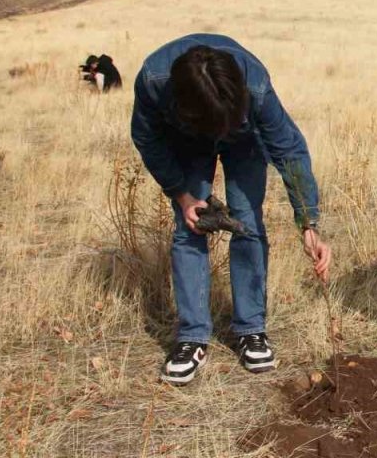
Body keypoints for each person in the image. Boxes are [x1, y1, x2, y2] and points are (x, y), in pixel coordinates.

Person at [130, 33, 332, 385]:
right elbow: (147, 138)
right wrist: (182, 195)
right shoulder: (154, 80)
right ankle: (192, 337)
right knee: (190, 226)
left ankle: (251, 329)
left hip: (244, 141)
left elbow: (288, 150)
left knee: (247, 221)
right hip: (187, 139)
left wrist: (308, 224)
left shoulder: (255, 86)